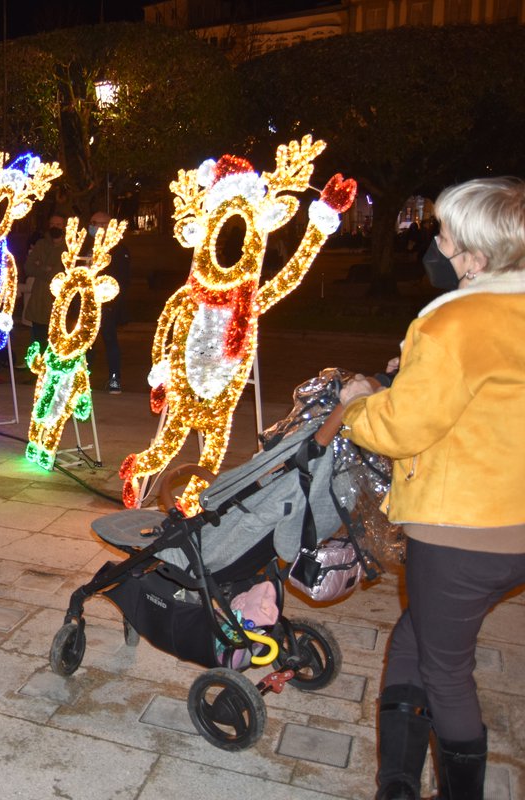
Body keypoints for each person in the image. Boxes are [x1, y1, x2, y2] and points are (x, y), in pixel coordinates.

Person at [339, 177, 525, 800]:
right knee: (415, 640)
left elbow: (400, 428)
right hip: (514, 526)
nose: (434, 244)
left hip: (462, 533)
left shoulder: (453, 322)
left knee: (446, 674)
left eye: (444, 235)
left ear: (475, 256)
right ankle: (396, 782)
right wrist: (416, 374)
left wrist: (358, 404)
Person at [87, 210, 131, 394]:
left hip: (107, 304)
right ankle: (83, 377)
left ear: (107, 226)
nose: (93, 227)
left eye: (96, 223)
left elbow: (121, 279)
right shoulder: (87, 246)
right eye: (92, 223)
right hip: (87, 303)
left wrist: (111, 301)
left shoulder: (118, 249)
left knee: (109, 339)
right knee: (86, 342)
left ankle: (115, 378)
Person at [22, 214, 67, 351]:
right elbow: (28, 267)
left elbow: (59, 274)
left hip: (58, 302)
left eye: (58, 224)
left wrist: (40, 266)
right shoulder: (41, 244)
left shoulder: (69, 246)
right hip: (39, 300)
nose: (55, 227)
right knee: (37, 340)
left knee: (56, 343)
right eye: (52, 224)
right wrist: (45, 269)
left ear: (64, 226)